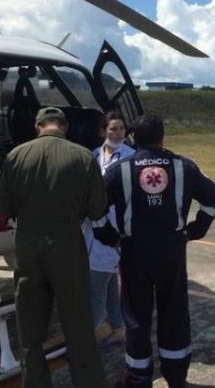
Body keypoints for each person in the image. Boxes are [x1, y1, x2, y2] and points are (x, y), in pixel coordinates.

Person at [95, 114, 215, 388]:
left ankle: (139, 379)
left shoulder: (120, 169)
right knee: (174, 313)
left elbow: (95, 209)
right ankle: (176, 378)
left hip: (134, 252)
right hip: (172, 251)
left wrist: (110, 237)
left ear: (133, 138)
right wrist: (195, 230)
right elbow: (212, 198)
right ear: (162, 137)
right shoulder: (184, 166)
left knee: (136, 318)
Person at [0, 106, 107, 388]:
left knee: (30, 331)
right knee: (78, 326)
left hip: (28, 247)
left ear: (38, 127)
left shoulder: (16, 156)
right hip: (67, 245)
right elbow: (97, 208)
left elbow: (3, 206)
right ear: (64, 127)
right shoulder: (83, 156)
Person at [85, 111, 135, 345]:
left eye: (122, 129)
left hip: (113, 228)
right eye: (113, 129)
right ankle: (118, 327)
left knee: (96, 287)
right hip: (92, 228)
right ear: (102, 131)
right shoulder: (93, 156)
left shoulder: (130, 157)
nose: (118, 133)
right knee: (111, 284)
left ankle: (87, 338)